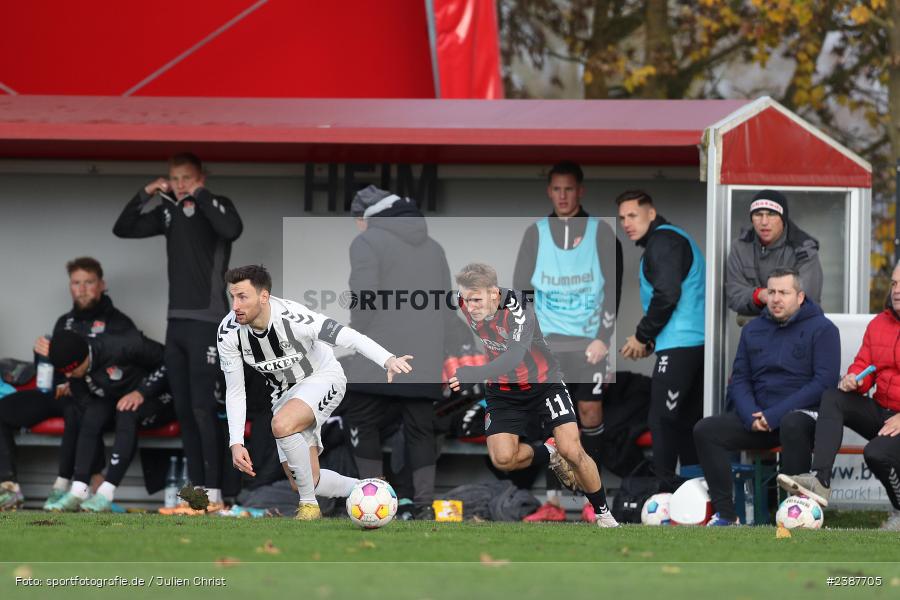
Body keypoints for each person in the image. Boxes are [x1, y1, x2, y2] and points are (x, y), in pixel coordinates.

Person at [217, 265, 414, 520]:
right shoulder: (228, 333)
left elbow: (350, 337)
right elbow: (235, 391)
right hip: (283, 395)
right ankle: (371, 490)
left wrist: (387, 359)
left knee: (281, 424)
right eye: (232, 297)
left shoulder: (295, 318)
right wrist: (236, 443)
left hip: (323, 378)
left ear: (264, 296)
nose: (235, 305)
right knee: (305, 480)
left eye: (243, 297)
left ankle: (309, 507)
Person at [113, 152, 243, 514]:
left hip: (208, 322)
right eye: (175, 178)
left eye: (187, 177)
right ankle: (198, 497)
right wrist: (147, 192)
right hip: (176, 324)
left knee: (203, 409)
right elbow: (123, 227)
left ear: (201, 177)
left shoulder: (217, 204)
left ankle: (215, 495)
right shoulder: (168, 211)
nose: (180, 184)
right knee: (185, 411)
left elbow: (232, 230)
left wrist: (199, 195)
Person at [448, 262, 619, 528]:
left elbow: (514, 357)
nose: (470, 307)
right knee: (503, 459)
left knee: (573, 450)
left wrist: (474, 372)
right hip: (503, 390)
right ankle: (550, 451)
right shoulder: (463, 299)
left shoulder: (518, 309)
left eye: (476, 300)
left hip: (543, 384)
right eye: (466, 299)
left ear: (494, 293)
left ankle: (604, 515)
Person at [513, 160, 623, 523]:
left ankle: (594, 502)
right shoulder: (536, 233)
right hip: (548, 343)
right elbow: (521, 290)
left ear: (580, 191)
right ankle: (554, 502)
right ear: (549, 192)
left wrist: (603, 338)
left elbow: (613, 289)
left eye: (569, 189)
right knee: (552, 418)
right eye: (557, 189)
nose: (563, 196)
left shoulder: (600, 232)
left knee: (590, 413)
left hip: (590, 342)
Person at [341, 186, 460, 520]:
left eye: (358, 219)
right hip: (424, 355)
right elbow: (446, 306)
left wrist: (355, 335)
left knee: (361, 420)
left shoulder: (366, 241)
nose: (358, 226)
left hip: (379, 351)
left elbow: (364, 297)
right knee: (420, 429)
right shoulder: (434, 247)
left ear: (367, 216)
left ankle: (374, 499)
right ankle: (422, 506)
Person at [693, 268, 840, 525]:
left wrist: (774, 415)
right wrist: (751, 415)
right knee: (705, 430)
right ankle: (727, 515)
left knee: (793, 423)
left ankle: (794, 515)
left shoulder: (823, 329)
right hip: (759, 419)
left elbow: (823, 384)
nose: (776, 299)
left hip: (802, 418)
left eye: (784, 292)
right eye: (771, 292)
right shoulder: (753, 329)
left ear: (800, 297)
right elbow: (740, 379)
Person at [0, 257, 135, 511]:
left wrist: (81, 379)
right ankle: (8, 488)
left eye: (88, 282)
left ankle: (76, 486)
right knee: (3, 409)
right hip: (61, 394)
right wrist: (41, 354)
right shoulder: (64, 322)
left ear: (102, 284)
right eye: (76, 283)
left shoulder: (120, 323)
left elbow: (126, 370)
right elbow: (53, 372)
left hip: (98, 398)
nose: (82, 289)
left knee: (80, 410)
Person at [778, 262, 900, 530]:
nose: (896, 290)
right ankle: (820, 480)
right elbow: (864, 364)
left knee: (876, 453)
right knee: (834, 396)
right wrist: (854, 379)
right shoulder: (879, 323)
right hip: (883, 412)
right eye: (893, 283)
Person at [617, 190, 705, 492]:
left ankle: (665, 494)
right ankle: (694, 491)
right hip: (690, 344)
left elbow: (667, 294)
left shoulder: (663, 241)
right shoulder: (671, 239)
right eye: (622, 218)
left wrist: (642, 335)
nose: (627, 223)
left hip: (682, 346)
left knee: (662, 420)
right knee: (687, 421)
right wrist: (651, 342)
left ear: (651, 214)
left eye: (633, 215)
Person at [42, 329, 170, 511]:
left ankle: (105, 494)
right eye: (65, 372)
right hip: (118, 397)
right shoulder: (75, 372)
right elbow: (87, 405)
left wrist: (142, 391)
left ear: (84, 357)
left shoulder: (125, 344)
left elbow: (170, 360)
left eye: (71, 370)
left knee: (126, 412)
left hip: (160, 396)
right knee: (91, 413)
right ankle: (79, 489)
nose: (68, 376)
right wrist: (96, 470)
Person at [726, 189, 823, 316]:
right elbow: (733, 295)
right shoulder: (739, 247)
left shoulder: (804, 249)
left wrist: (770, 298)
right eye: (758, 214)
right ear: (751, 219)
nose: (764, 222)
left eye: (771, 214)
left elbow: (806, 300)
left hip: (796, 326)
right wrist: (758, 295)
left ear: (783, 219)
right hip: (754, 327)